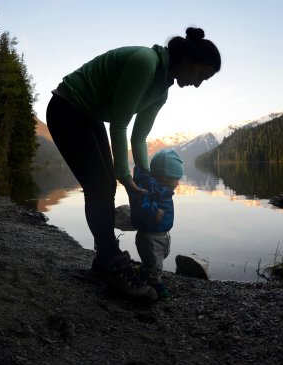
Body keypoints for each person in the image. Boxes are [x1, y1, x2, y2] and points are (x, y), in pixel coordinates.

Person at [46, 27, 221, 300]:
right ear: (187, 59)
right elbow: (120, 125)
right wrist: (126, 177)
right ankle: (110, 263)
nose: (199, 84)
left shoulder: (161, 91)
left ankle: (103, 261)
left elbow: (140, 138)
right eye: (201, 74)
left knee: (104, 188)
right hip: (67, 108)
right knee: (100, 187)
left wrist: (145, 178)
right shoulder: (145, 62)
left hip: (88, 114)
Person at [130, 149, 184, 299]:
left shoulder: (162, 188)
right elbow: (143, 203)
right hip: (150, 235)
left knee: (161, 255)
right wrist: (154, 212)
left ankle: (144, 271)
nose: (178, 183)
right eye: (176, 178)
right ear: (164, 177)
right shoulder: (150, 187)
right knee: (155, 261)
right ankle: (155, 284)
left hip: (161, 232)